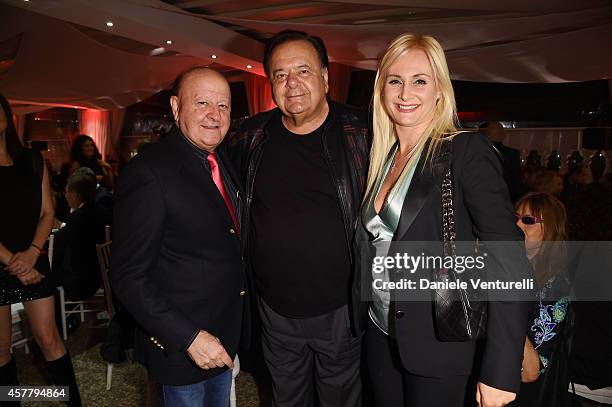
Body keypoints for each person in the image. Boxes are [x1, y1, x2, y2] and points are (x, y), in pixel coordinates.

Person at [350, 34, 532, 406]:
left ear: (439, 90)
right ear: (381, 88)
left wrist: (500, 368)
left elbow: (509, 258)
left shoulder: (465, 151)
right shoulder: (381, 158)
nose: (405, 92)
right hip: (380, 333)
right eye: (395, 80)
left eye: (420, 80)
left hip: (440, 340)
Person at [229, 30, 369, 407]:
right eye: (279, 74)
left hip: (341, 309)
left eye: (303, 71)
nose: (291, 84)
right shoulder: (250, 136)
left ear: (325, 77)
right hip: (274, 311)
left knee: (340, 399)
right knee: (286, 399)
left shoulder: (362, 132)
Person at [110, 67, 248, 407]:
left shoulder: (219, 159)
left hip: (223, 337)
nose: (214, 116)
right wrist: (188, 338)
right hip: (184, 348)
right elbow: (128, 277)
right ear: (175, 108)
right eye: (202, 103)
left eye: (224, 106)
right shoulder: (149, 172)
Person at [0, 93, 82, 405]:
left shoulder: (31, 160)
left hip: (33, 260)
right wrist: (15, 262)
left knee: (49, 338)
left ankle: (70, 401)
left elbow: (48, 211)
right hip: (5, 263)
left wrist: (32, 254)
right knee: (1, 348)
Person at [515, 192, 571, 406]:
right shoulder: (502, 265)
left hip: (523, 394)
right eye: (515, 218)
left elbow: (530, 372)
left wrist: (504, 308)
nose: (518, 225)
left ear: (549, 229)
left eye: (528, 220)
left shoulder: (556, 287)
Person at [52, 168, 102, 300]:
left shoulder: (78, 217)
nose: (65, 195)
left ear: (76, 194)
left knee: (46, 275)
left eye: (67, 191)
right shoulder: (95, 210)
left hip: (82, 282)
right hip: (98, 275)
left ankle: (60, 319)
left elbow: (57, 243)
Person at [481, 121, 524, 203]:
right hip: (508, 198)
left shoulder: (477, 153)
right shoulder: (512, 154)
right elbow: (517, 181)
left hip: (484, 198)